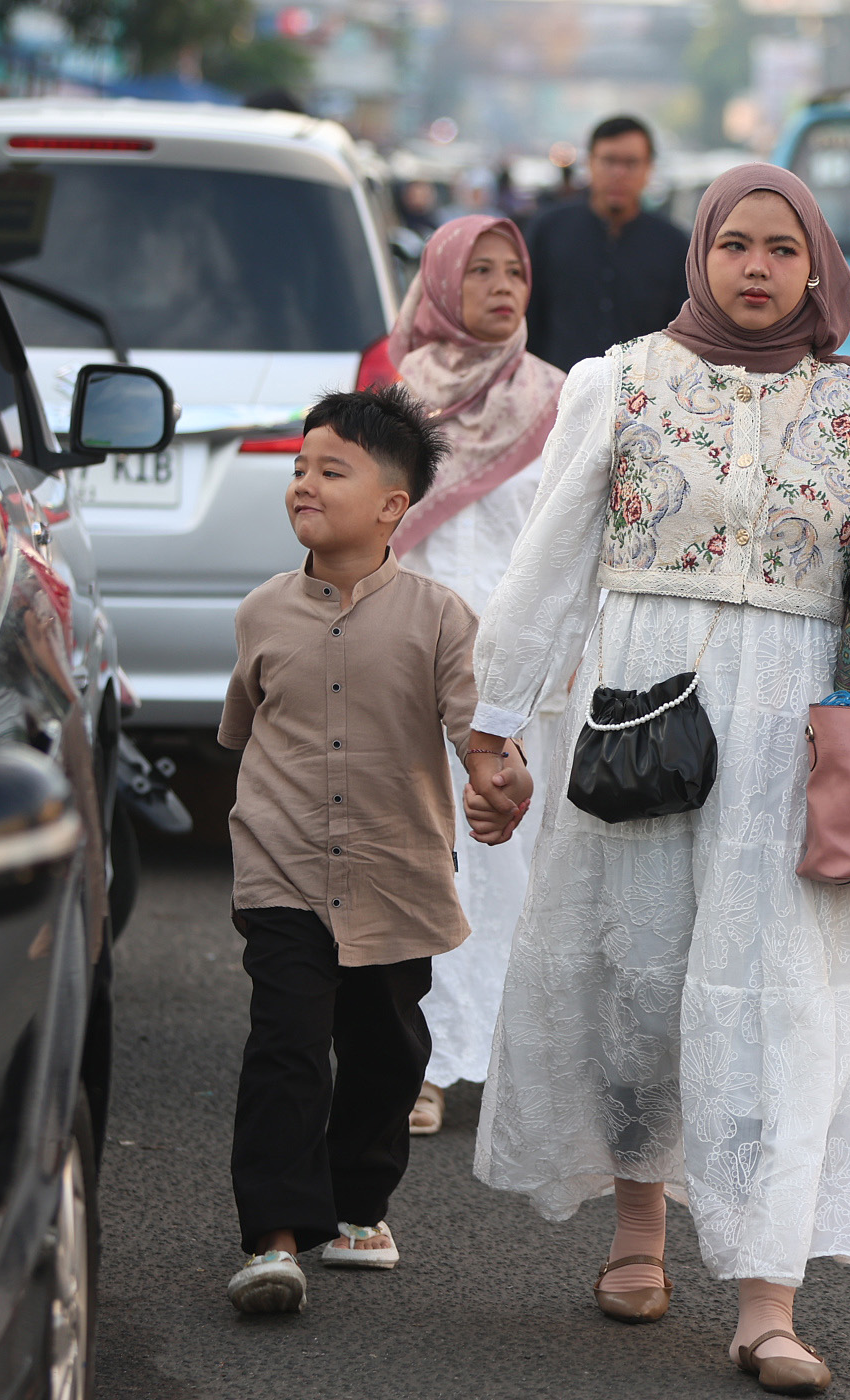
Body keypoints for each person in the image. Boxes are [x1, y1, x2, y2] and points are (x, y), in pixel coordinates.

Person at [459, 165, 850, 1395]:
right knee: (637, 969)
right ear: (701, 256)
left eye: (781, 249)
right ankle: (638, 1232)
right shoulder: (620, 381)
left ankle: (766, 1298)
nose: (756, 267)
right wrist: (494, 728)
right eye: (735, 243)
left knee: (781, 998)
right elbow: (549, 566)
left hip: (801, 734)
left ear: (817, 268)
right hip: (643, 705)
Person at [218, 385, 499, 1315]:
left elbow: (473, 729)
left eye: (330, 470)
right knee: (287, 1047)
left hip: (394, 870)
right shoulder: (260, 612)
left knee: (386, 1051)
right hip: (283, 863)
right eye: (299, 467)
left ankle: (357, 1205)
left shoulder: (439, 616)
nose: (304, 482)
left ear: (393, 505)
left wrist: (501, 776)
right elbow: (243, 731)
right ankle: (274, 1236)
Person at [387, 215, 571, 1135]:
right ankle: (414, 1057)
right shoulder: (395, 398)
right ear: (441, 281)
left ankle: (482, 1057)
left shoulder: (561, 401)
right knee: (421, 863)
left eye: (516, 272)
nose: (502, 287)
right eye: (481, 271)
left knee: (508, 872)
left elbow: (574, 546)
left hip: (514, 673)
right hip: (406, 663)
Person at [522, 115, 689, 372]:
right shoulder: (548, 230)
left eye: (631, 163)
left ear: (649, 169)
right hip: (556, 392)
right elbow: (528, 315)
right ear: (590, 163)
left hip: (641, 399)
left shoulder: (674, 244)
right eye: (609, 161)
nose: (619, 173)